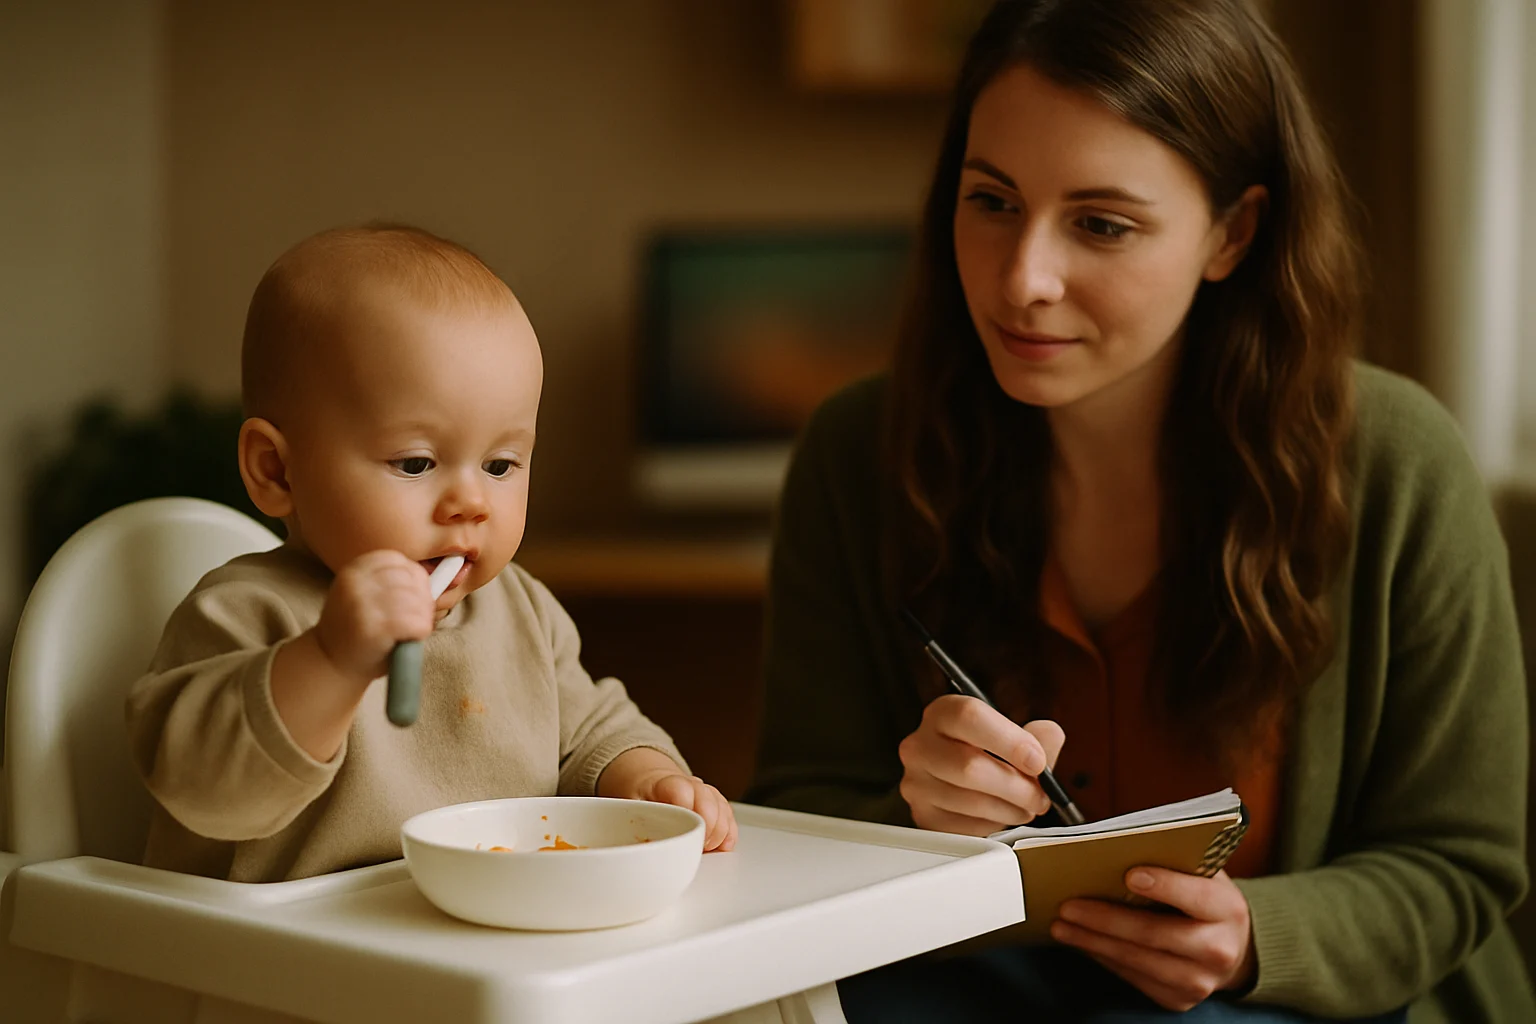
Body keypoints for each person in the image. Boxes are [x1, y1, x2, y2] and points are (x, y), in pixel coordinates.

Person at [745, 0, 1531, 1020]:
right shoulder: (857, 454)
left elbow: (1459, 863)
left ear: (1232, 233)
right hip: (976, 989)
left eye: (1101, 224)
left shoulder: (1398, 461)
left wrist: (1257, 938)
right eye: (991, 202)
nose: (1024, 278)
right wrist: (913, 821)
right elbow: (793, 816)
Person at [127, 224, 737, 883]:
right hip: (289, 966)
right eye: (417, 462)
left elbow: (591, 730)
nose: (470, 501)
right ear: (277, 470)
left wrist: (646, 778)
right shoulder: (242, 614)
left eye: (502, 465)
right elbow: (208, 793)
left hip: (469, 936)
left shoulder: (521, 610)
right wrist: (331, 659)